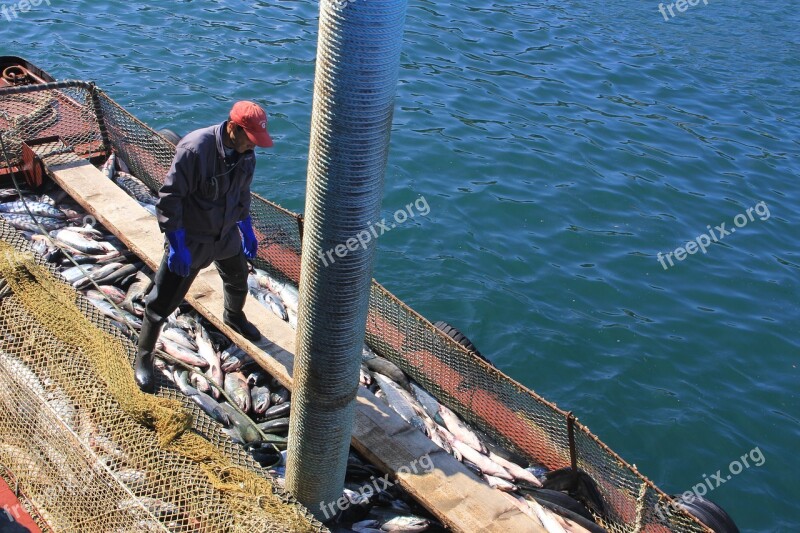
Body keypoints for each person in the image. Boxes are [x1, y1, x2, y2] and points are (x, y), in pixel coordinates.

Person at [134, 101, 274, 393]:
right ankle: (143, 357)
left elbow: (242, 193)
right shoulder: (195, 149)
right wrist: (176, 245)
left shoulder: (247, 154)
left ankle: (233, 317)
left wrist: (246, 228)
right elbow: (169, 200)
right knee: (161, 304)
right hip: (192, 238)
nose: (254, 147)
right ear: (233, 129)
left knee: (238, 279)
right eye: (250, 140)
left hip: (225, 234)